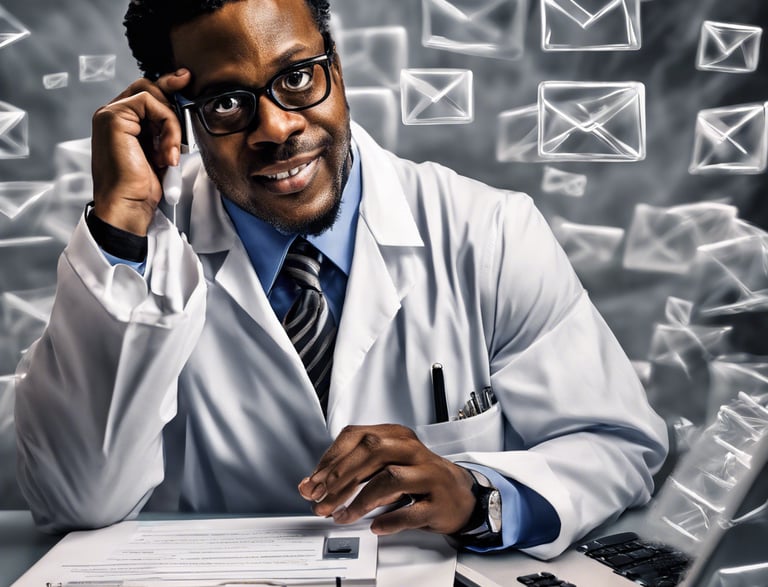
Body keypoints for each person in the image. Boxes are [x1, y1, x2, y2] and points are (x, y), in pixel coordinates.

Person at [14, 0, 668, 560]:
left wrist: (475, 494)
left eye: (298, 76)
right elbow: (76, 498)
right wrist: (121, 227)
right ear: (173, 111)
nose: (278, 127)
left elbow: (618, 443)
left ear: (337, 66)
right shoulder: (138, 253)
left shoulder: (488, 231)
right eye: (227, 103)